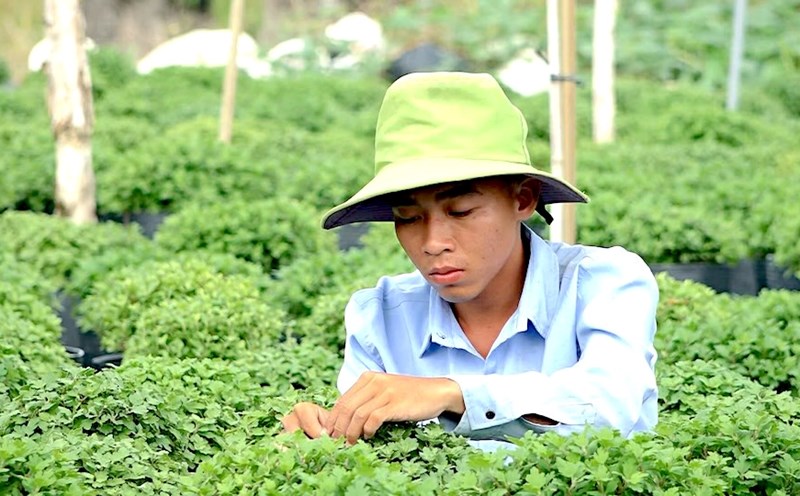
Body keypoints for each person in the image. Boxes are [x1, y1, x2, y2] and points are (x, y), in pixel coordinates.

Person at [281, 72, 659, 450]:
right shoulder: (379, 315)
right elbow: (368, 459)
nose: (432, 243)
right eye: (408, 217)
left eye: (461, 210)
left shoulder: (605, 284)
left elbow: (610, 407)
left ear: (523, 199)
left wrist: (453, 394)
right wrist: (320, 436)